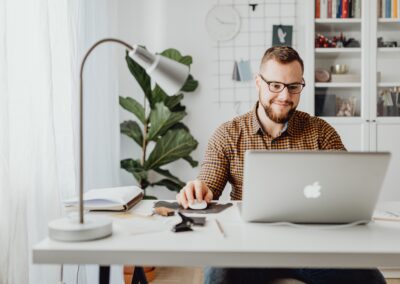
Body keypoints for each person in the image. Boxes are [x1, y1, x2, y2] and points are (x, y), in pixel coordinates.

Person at [176, 46, 386, 284]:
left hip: (314, 246)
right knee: (218, 278)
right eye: (275, 85)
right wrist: (198, 189)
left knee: (371, 280)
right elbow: (208, 183)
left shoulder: (321, 132)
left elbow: (348, 189)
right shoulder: (228, 133)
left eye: (294, 87)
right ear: (258, 83)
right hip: (247, 247)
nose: (285, 96)